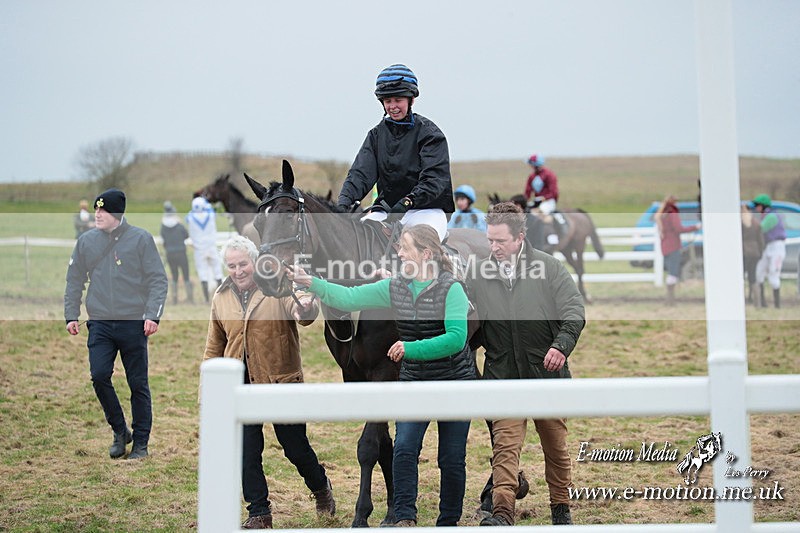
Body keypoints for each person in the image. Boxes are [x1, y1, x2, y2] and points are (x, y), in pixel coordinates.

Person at [288, 224, 475, 527]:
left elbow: (456, 338)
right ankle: (403, 517)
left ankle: (448, 523)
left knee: (451, 460)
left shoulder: (452, 289)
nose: (398, 253)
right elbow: (348, 298)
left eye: (405, 248)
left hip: (453, 380)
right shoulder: (395, 287)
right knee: (403, 450)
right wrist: (311, 282)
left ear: (425, 254)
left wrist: (410, 348)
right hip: (414, 380)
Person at [203, 235, 335, 530]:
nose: (238, 271)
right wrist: (208, 391)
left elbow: (302, 314)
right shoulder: (221, 296)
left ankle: (321, 487)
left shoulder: (277, 287)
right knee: (247, 450)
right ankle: (259, 512)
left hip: (280, 381)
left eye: (243, 264)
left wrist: (306, 307)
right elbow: (215, 345)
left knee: (295, 448)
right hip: (241, 384)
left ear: (255, 263)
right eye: (232, 265)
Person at [467, 202, 584, 526]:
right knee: (504, 449)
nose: (493, 247)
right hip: (502, 374)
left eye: (500, 241)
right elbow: (462, 311)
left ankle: (561, 508)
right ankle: (503, 511)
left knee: (556, 448)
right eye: (490, 240)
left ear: (519, 237)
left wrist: (561, 346)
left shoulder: (549, 268)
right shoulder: (478, 273)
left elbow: (574, 311)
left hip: (546, 373)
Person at [64, 188, 168, 460]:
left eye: (103, 210)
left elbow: (158, 279)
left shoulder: (141, 239)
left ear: (117, 213)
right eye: (96, 209)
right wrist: (71, 314)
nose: (97, 214)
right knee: (99, 376)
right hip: (99, 323)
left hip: (134, 324)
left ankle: (141, 443)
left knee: (138, 384)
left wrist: (152, 315)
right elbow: (74, 279)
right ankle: (121, 431)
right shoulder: (86, 241)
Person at [336, 64, 455, 241]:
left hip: (426, 210)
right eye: (388, 101)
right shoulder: (375, 135)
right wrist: (342, 205)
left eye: (398, 100)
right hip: (387, 210)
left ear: (411, 100)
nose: (393, 106)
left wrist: (407, 202)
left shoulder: (431, 135)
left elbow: (434, 181)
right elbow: (360, 175)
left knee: (419, 247)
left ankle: (444, 266)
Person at [654, 195, 701, 306]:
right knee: (673, 272)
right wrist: (695, 227)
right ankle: (670, 299)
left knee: (671, 272)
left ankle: (670, 298)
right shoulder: (672, 213)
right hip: (673, 245)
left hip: (665, 246)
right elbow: (679, 229)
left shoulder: (662, 215)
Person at [186, 196, 223, 303]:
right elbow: (210, 208)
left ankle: (207, 299)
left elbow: (189, 216)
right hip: (211, 246)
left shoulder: (190, 218)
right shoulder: (210, 215)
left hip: (199, 249)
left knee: (203, 273)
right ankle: (220, 296)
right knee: (217, 271)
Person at [752, 194, 786, 308]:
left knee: (773, 273)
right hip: (767, 247)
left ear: (763, 206)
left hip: (777, 247)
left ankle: (777, 305)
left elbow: (761, 229)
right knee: (759, 271)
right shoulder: (764, 215)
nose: (756, 208)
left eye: (757, 205)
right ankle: (762, 302)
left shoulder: (771, 216)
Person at [160, 201, 194, 305]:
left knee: (174, 275)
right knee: (186, 275)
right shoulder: (179, 226)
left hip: (170, 254)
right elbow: (186, 235)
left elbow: (164, 240)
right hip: (181, 253)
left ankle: (174, 299)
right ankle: (190, 298)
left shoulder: (163, 227)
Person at [741, 204, 764, 307]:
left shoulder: (740, 223)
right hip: (754, 253)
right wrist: (760, 252)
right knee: (753, 277)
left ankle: (740, 300)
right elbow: (761, 241)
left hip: (744, 252)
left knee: (740, 277)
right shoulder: (756, 223)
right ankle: (757, 303)